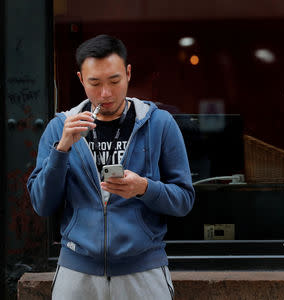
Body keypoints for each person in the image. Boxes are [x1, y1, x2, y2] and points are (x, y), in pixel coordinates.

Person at [27, 34, 195, 299]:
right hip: (76, 272)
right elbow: (42, 205)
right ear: (81, 79)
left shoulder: (160, 124)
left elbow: (184, 200)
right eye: (94, 83)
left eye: (114, 81)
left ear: (128, 73)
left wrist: (144, 188)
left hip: (143, 271)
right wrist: (61, 150)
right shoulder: (60, 127)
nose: (105, 93)